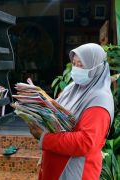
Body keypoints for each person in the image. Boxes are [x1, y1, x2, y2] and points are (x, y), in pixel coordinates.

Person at [28, 43, 114, 180]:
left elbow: (86, 142)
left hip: (75, 171)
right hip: (54, 165)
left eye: (82, 65)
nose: (76, 69)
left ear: (96, 68)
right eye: (74, 63)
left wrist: (45, 138)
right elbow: (55, 114)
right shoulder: (72, 88)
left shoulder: (100, 99)